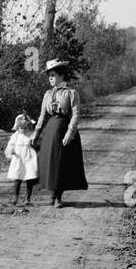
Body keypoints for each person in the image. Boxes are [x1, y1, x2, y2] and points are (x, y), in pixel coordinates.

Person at [32, 58, 87, 208]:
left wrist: (70, 133)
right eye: (49, 76)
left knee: (61, 163)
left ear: (62, 76)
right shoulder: (47, 94)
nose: (51, 78)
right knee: (49, 162)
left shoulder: (71, 93)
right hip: (50, 130)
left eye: (53, 75)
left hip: (64, 129)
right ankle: (52, 194)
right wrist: (36, 133)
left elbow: (76, 114)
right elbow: (42, 116)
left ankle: (58, 197)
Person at [5, 113, 39, 205]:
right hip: (18, 158)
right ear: (17, 127)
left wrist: (34, 144)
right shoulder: (15, 136)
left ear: (28, 127)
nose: (23, 130)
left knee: (30, 178)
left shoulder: (31, 135)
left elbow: (37, 145)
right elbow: (11, 144)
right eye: (21, 128)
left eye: (25, 127)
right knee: (17, 178)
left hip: (29, 158)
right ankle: (15, 197)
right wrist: (10, 151)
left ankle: (28, 198)